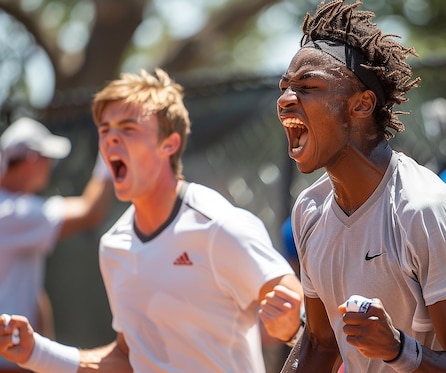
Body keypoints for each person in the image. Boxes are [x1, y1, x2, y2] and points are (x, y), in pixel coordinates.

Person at [0, 68, 303, 372]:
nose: (111, 139)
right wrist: (35, 352)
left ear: (168, 144)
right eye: (105, 130)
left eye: (128, 128)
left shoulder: (218, 224)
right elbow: (128, 356)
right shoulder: (113, 246)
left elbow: (294, 303)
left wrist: (290, 323)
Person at [276, 1, 446, 372]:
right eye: (285, 88)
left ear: (361, 105)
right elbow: (319, 343)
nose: (285, 100)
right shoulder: (308, 211)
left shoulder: (426, 210)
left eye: (308, 86)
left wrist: (397, 350)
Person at [0, 117, 114, 372]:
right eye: (47, 157)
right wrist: (109, 151)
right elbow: (90, 211)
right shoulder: (13, 213)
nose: (51, 165)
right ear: (31, 160)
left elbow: (33, 293)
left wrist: (44, 354)